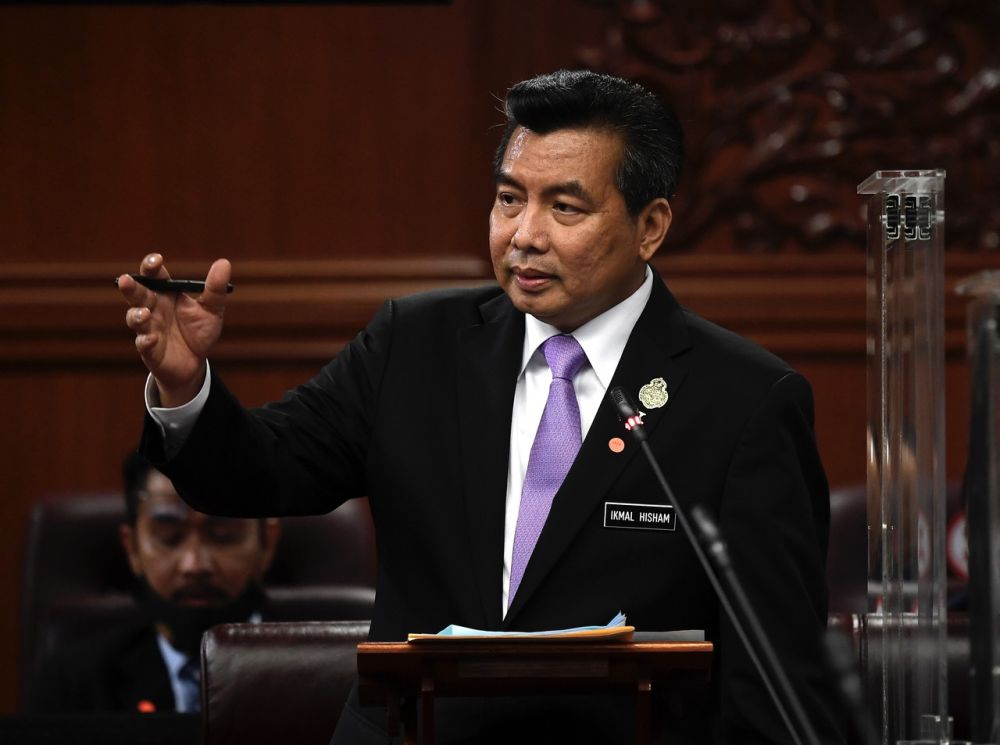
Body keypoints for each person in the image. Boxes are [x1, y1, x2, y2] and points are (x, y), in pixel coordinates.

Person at [119, 69, 842, 743]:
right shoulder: (414, 344)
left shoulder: (743, 400)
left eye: (564, 207)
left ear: (649, 226)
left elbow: (776, 679)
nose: (524, 234)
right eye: (508, 199)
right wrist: (185, 386)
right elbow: (259, 472)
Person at [26, 452, 280, 714]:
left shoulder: (308, 669)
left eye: (223, 535)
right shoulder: (72, 686)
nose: (194, 565)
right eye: (170, 537)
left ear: (266, 543)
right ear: (132, 547)